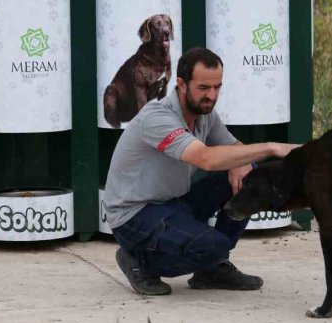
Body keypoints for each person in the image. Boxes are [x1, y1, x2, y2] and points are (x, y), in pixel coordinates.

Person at [103, 46, 300, 295]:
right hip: (135, 215)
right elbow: (205, 159)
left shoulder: (204, 113)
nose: (212, 95)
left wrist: (241, 162)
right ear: (182, 84)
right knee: (214, 245)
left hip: (173, 203)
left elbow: (233, 147)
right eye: (204, 88)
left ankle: (211, 270)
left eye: (217, 87)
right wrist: (271, 147)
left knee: (250, 176)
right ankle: (139, 262)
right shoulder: (157, 117)